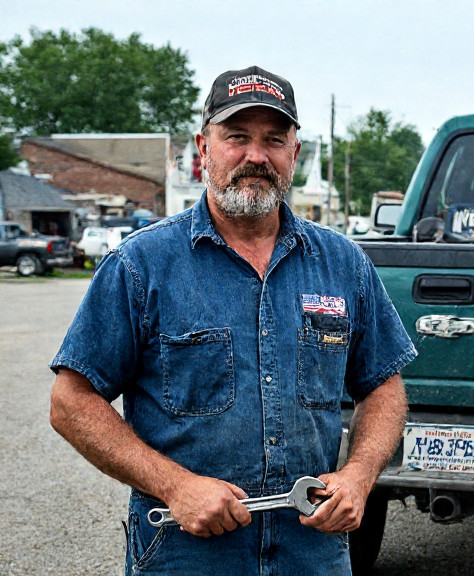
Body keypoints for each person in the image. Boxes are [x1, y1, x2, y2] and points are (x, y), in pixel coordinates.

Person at [49, 65, 417, 576]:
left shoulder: (343, 264)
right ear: (204, 148)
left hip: (313, 551)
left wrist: (358, 474)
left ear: (294, 150)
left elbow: (384, 387)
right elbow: (71, 402)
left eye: (274, 139)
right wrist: (175, 486)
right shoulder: (141, 266)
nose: (255, 156)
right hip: (185, 550)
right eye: (237, 137)